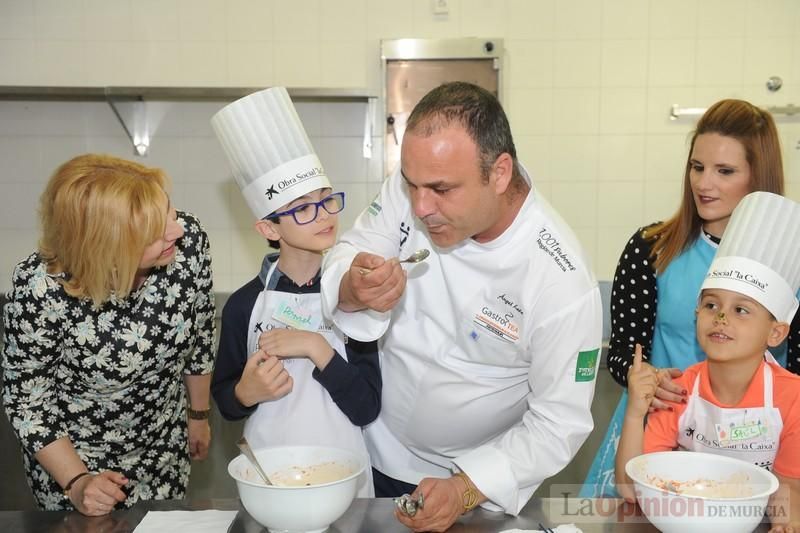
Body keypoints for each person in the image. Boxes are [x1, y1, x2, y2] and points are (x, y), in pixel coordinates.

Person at [320, 81, 603, 531]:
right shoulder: (414, 188)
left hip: (472, 484)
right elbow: (350, 249)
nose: (420, 206)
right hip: (371, 448)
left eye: (441, 189)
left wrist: (465, 486)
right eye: (411, 185)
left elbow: (558, 423)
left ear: (500, 172)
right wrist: (354, 285)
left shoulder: (560, 281)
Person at [583, 98, 800, 497]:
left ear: (758, 177)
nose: (704, 183)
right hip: (652, 436)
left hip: (757, 454)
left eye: (725, 171)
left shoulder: (794, 265)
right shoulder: (651, 248)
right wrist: (650, 378)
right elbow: (621, 353)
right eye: (697, 167)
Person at [2, 154, 215, 514]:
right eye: (153, 230)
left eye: (169, 210)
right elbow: (27, 399)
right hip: (77, 461)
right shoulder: (41, 290)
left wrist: (198, 414)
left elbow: (201, 330)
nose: (176, 229)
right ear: (107, 245)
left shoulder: (186, 245)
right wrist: (76, 482)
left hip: (164, 449)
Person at [209, 87, 381, 498]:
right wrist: (246, 392)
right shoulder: (243, 306)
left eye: (327, 201)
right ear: (269, 229)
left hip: (345, 480)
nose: (323, 216)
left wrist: (314, 347)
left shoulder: (351, 293)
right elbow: (227, 402)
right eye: (302, 208)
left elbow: (366, 407)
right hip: (269, 478)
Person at [615, 191, 800, 531]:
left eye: (741, 310)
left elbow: (787, 485)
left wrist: (786, 523)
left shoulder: (793, 399)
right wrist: (635, 412)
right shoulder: (679, 391)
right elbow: (630, 489)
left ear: (776, 333)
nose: (721, 318)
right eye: (711, 305)